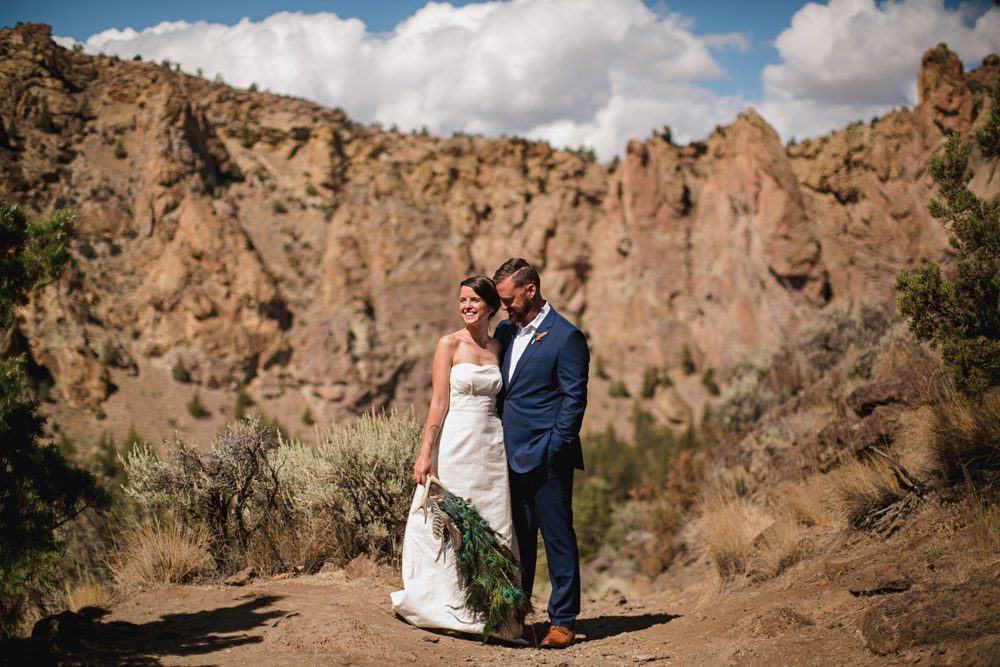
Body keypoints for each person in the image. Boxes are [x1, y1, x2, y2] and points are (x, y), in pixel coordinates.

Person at [391, 275, 523, 642]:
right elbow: (438, 402)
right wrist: (425, 454)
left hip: (492, 444)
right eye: (462, 300)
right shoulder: (448, 344)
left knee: (494, 521)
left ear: (491, 307)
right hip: (457, 443)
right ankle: (449, 607)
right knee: (453, 522)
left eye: (474, 301)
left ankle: (496, 614)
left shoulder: (499, 347)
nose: (466, 306)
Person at [492, 257, 589, 649]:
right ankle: (518, 618)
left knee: (557, 537)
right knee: (518, 540)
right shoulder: (505, 331)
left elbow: (574, 399)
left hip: (547, 457)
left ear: (529, 290)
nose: (504, 306)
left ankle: (563, 620)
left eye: (508, 298)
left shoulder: (565, 336)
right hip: (506, 456)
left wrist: (554, 448)